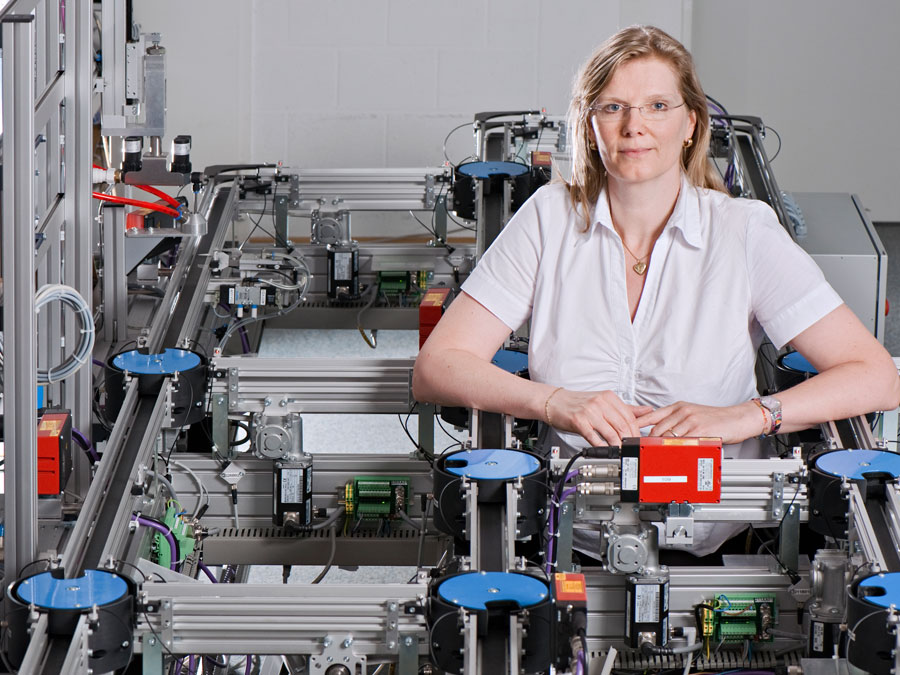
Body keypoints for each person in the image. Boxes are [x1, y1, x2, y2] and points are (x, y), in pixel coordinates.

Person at [412, 26, 900, 556]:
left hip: (718, 536)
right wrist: (550, 402)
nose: (634, 126)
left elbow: (875, 375)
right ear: (589, 124)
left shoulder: (744, 231)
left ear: (691, 123)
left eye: (658, 106)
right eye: (613, 106)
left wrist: (749, 415)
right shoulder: (549, 219)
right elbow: (437, 366)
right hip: (571, 537)